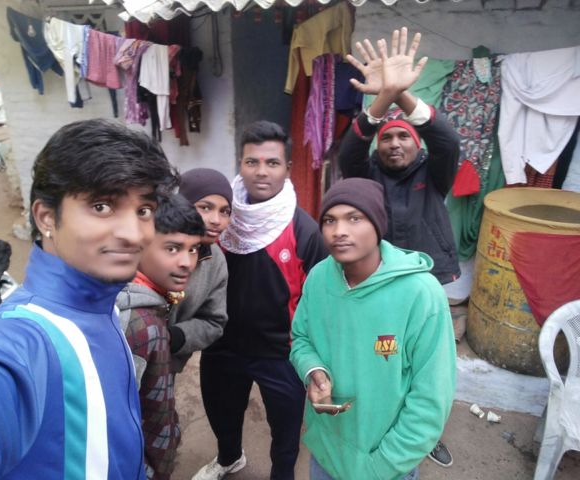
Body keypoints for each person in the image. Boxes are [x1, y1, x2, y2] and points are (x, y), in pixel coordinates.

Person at [0, 118, 177, 479]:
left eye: (143, 210)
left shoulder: (102, 306)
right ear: (46, 217)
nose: (134, 234)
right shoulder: (19, 343)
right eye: (102, 206)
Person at [339, 27, 461, 466]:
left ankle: (426, 433)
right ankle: (379, 421)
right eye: (387, 137)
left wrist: (401, 95)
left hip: (425, 284)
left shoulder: (435, 171)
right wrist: (379, 103)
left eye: (403, 136)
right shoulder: (366, 174)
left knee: (426, 361)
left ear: (417, 143)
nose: (394, 143)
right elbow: (347, 154)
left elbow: (448, 140)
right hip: (377, 283)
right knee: (384, 355)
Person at [290, 177, 456, 480]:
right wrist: (314, 370)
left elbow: (431, 401)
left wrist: (378, 468)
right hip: (325, 453)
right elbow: (301, 338)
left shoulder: (421, 294)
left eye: (354, 218)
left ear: (378, 224)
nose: (339, 231)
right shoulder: (318, 278)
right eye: (329, 220)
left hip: (385, 465)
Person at [193, 121, 328, 480]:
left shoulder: (304, 230)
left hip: (280, 353)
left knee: (285, 432)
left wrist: (314, 355)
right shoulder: (222, 218)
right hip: (221, 344)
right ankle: (229, 459)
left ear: (287, 168)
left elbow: (320, 300)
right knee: (221, 415)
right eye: (252, 162)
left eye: (272, 163)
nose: (261, 171)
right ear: (240, 164)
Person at [116, 194, 205, 480]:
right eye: (172, 248)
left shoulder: (150, 303)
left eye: (194, 249)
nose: (187, 262)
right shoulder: (139, 325)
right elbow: (116, 418)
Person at [168, 167, 233, 374]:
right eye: (205, 208)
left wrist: (175, 337)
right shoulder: (150, 242)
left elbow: (214, 321)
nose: (216, 220)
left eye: (225, 211)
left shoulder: (215, 260)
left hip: (167, 366)